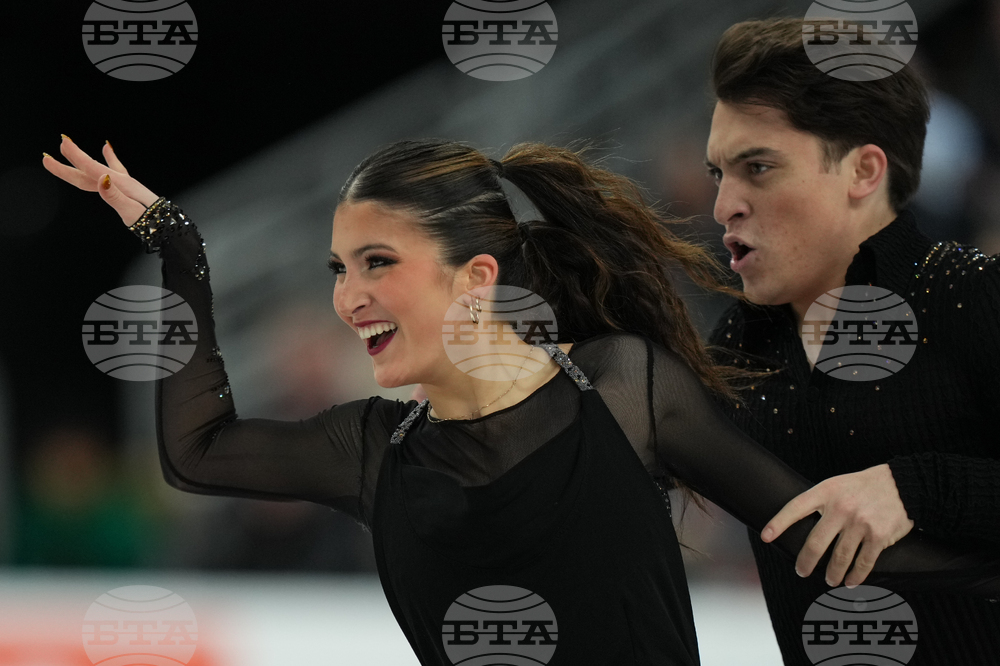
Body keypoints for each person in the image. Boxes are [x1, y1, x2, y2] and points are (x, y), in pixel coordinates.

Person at [43, 134, 1000, 665]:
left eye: (378, 263)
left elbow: (831, 544)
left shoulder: (627, 390)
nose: (347, 297)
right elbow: (195, 452)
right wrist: (178, 247)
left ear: (474, 278)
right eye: (339, 268)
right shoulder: (375, 447)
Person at [704, 17, 1000, 665]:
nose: (725, 204)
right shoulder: (740, 340)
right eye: (717, 174)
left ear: (863, 170)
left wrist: (916, 489)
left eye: (757, 168)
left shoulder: (971, 298)